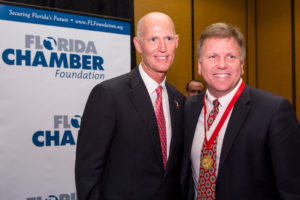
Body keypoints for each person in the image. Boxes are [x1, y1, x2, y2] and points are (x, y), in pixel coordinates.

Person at [181, 22, 300, 200]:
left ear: (242, 65)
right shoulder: (189, 108)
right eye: (212, 57)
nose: (222, 65)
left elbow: (292, 190)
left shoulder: (274, 111)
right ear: (199, 66)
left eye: (230, 57)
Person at [75, 12, 185, 200]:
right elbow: (88, 173)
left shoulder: (180, 101)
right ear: (137, 44)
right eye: (153, 39)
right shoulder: (108, 95)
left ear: (177, 41)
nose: (163, 48)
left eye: (168, 38)